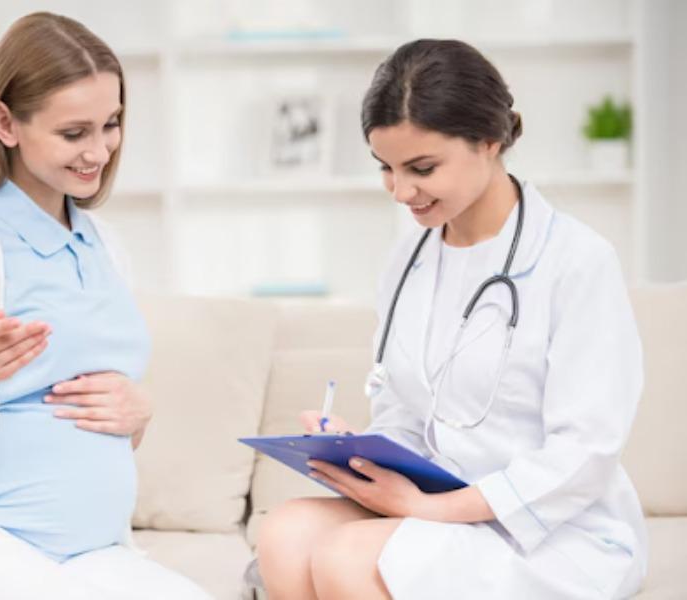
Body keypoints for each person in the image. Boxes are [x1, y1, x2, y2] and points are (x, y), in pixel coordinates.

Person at [256, 39, 646, 600]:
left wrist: (428, 508)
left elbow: (584, 456)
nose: (400, 192)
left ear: (489, 141)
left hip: (554, 531)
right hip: (436, 506)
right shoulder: (408, 262)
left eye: (422, 168)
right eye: (386, 168)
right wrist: (361, 452)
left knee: (347, 556)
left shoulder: (577, 261)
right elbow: (405, 413)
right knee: (286, 534)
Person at [0, 12, 211, 600]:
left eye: (111, 124)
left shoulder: (104, 244)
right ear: (6, 123)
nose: (99, 151)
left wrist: (136, 416)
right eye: (74, 133)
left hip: (92, 551)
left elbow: (75, 419)